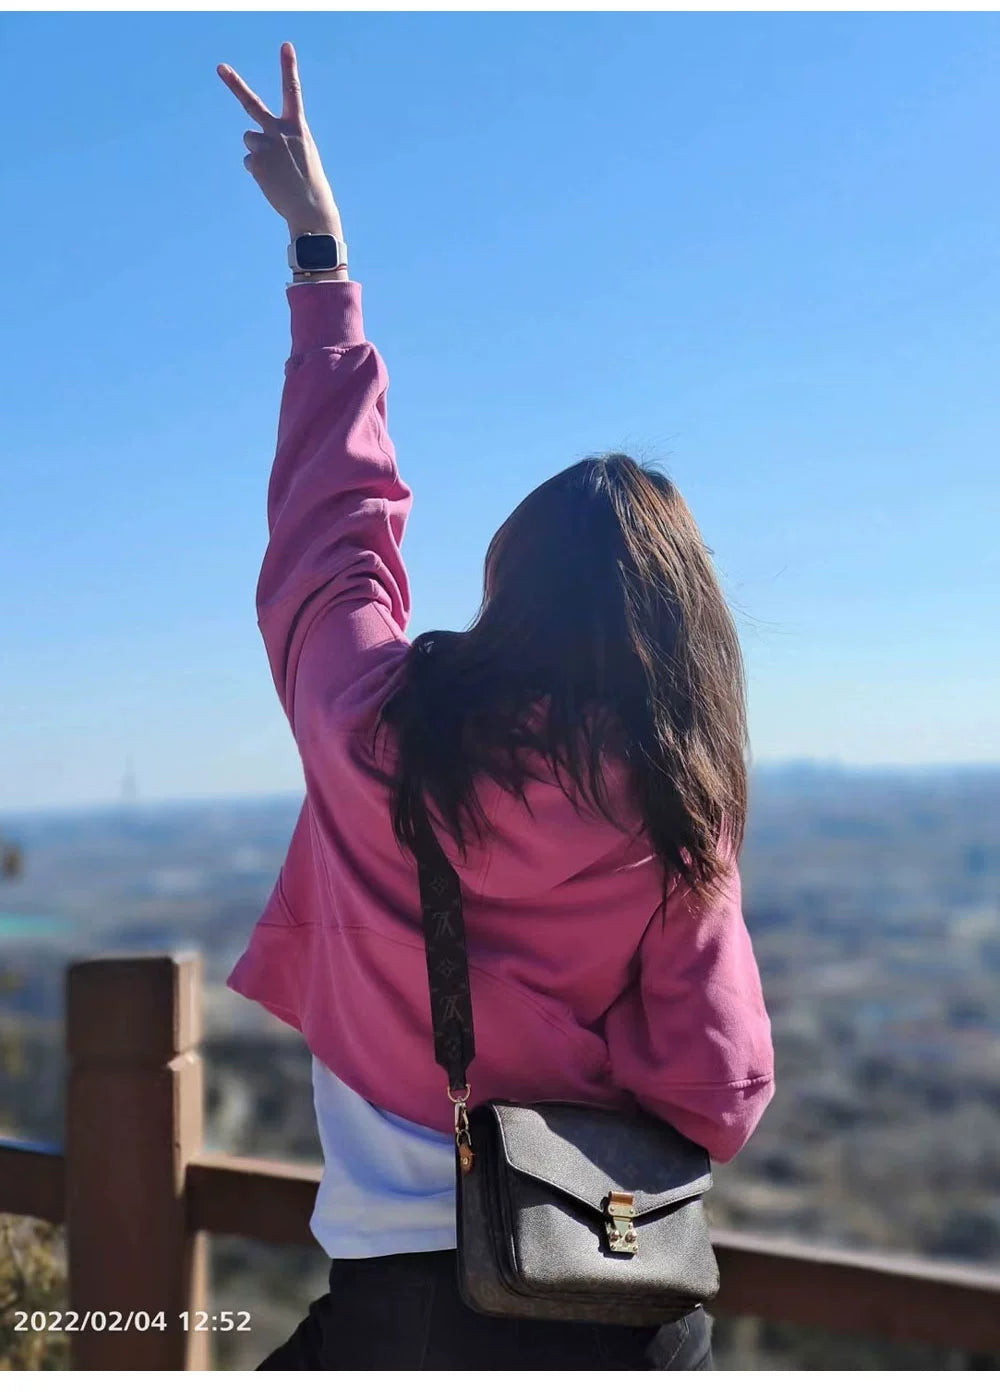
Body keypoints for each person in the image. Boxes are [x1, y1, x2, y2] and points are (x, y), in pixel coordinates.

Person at [219, 42, 775, 1373]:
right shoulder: (677, 816)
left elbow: (332, 534)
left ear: (506, 588)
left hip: (394, 1304)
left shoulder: (372, 728)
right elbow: (715, 1089)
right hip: (609, 1299)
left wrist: (322, 261)